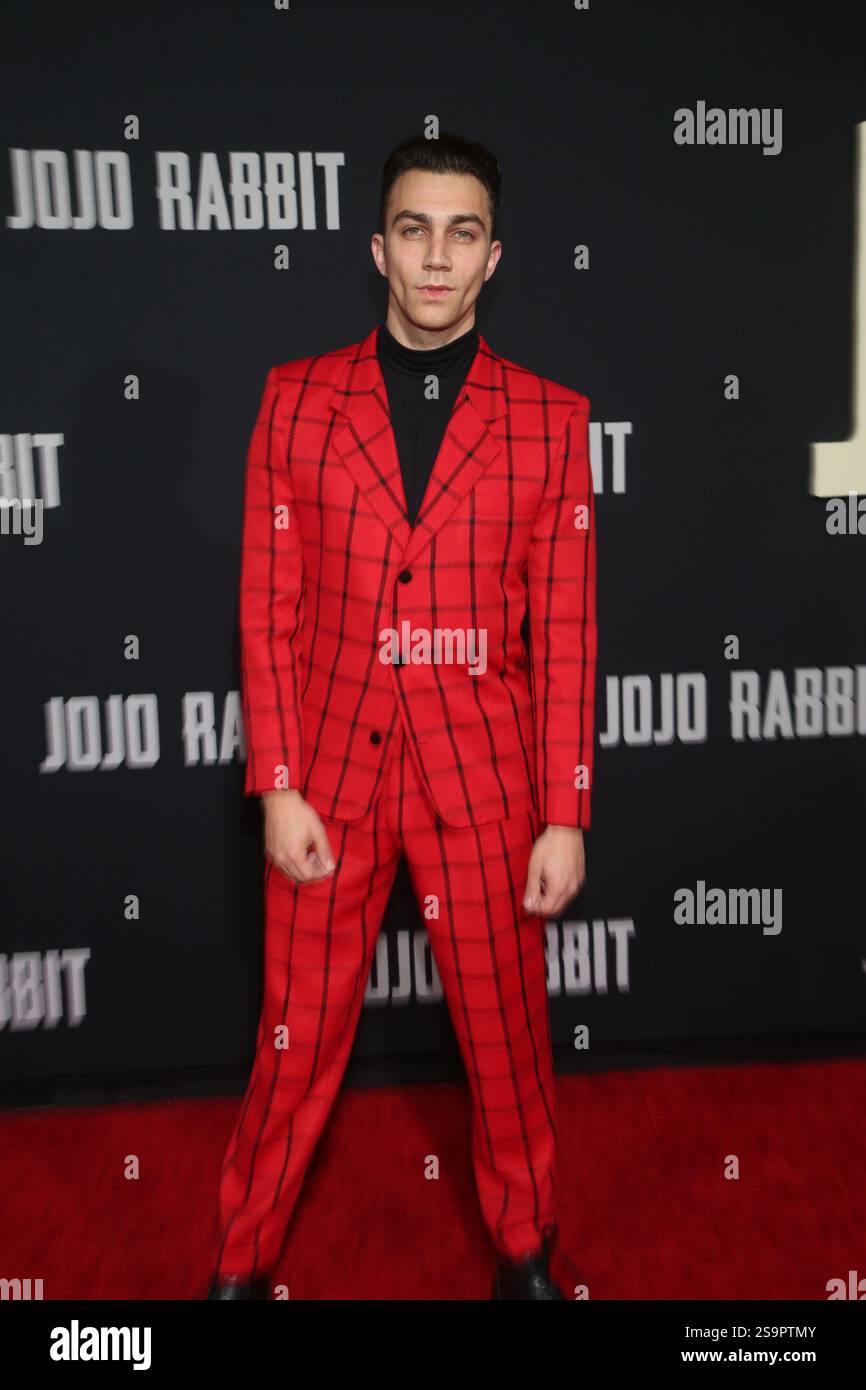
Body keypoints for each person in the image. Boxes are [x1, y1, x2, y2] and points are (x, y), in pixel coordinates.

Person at [208, 130, 597, 1300]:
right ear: (378, 247)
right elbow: (265, 608)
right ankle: (239, 1261)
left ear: (492, 258)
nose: (436, 257)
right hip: (324, 778)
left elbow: (567, 634)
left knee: (507, 1043)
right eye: (415, 230)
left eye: (462, 232)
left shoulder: (551, 420)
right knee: (294, 1045)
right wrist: (275, 784)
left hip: (484, 781)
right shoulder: (293, 401)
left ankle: (524, 1249)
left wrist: (564, 814)